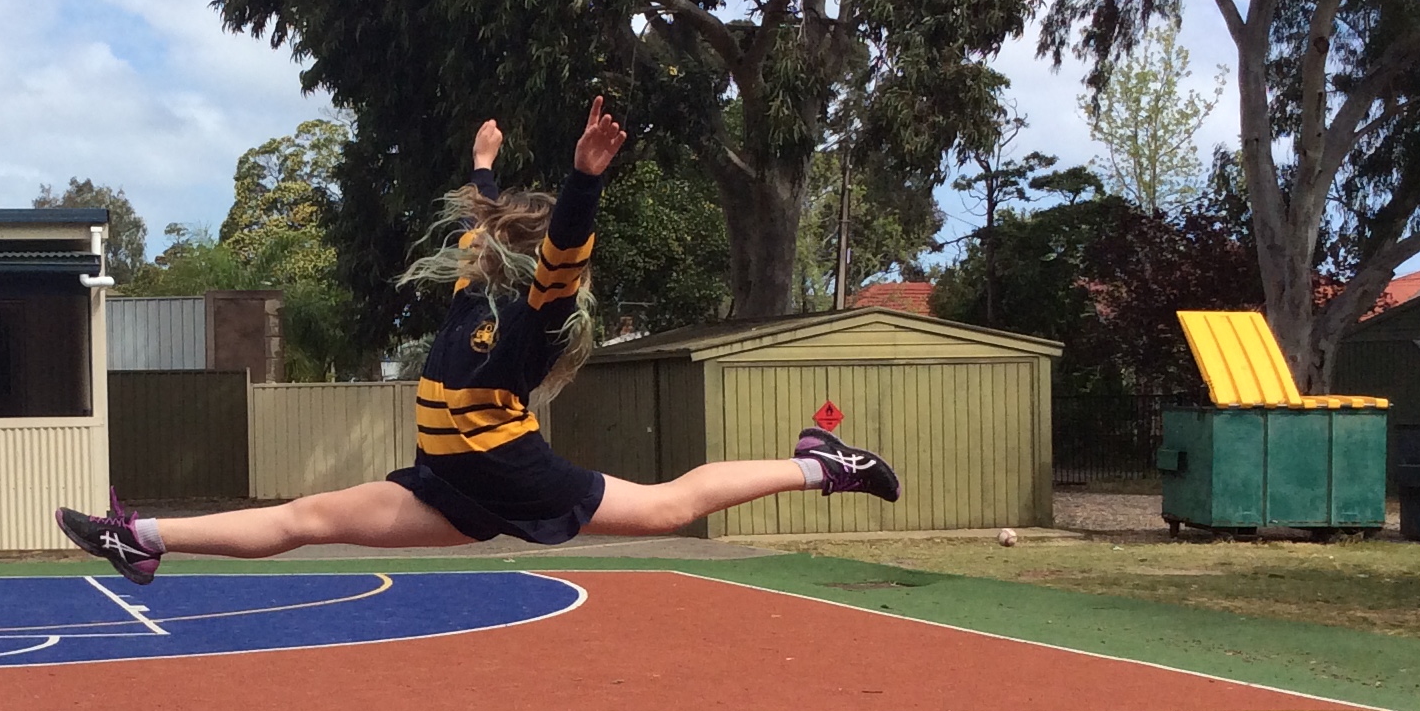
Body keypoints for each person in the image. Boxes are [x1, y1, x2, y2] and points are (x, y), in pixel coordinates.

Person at [58, 98, 899, 584]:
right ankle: (143, 539)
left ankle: (824, 461)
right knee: (307, 517)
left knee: (671, 505)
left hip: (509, 470)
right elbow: (478, 216)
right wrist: (482, 160)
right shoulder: (470, 295)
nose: (486, 240)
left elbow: (565, 245)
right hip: (449, 485)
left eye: (505, 238)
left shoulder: (539, 313)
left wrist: (584, 179)